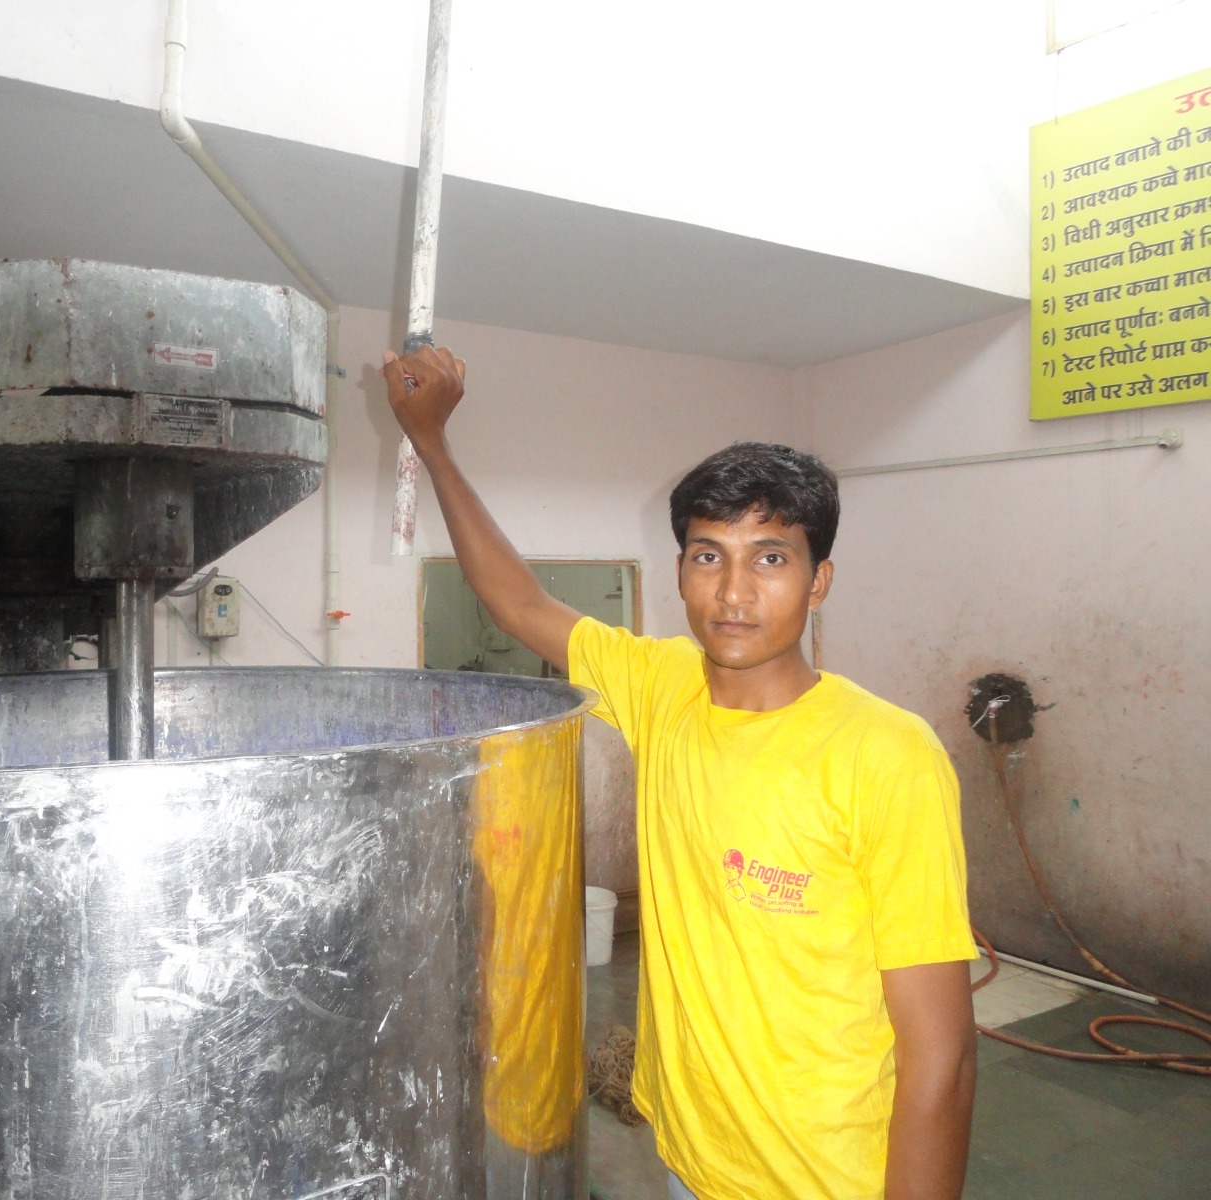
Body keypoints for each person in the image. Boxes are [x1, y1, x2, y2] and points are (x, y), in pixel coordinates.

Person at [381, 345, 978, 1200]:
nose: (733, 592)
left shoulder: (885, 753)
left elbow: (942, 1058)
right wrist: (432, 442)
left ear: (819, 582)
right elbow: (517, 602)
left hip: (822, 1178)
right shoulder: (661, 685)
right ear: (680, 572)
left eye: (770, 558)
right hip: (686, 1158)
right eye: (708, 556)